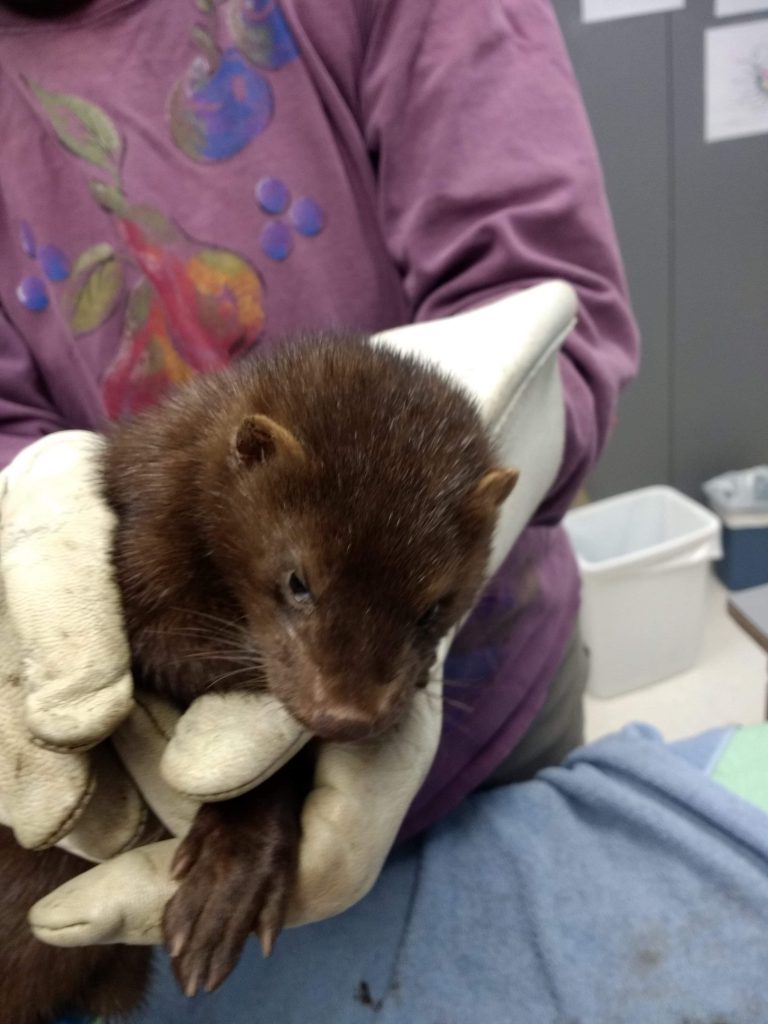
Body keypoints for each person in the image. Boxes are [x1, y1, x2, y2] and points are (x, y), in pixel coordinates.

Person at [0, 0, 639, 987]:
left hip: (497, 714)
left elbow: (546, 295)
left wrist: (506, 421)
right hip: (148, 780)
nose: (348, 705)